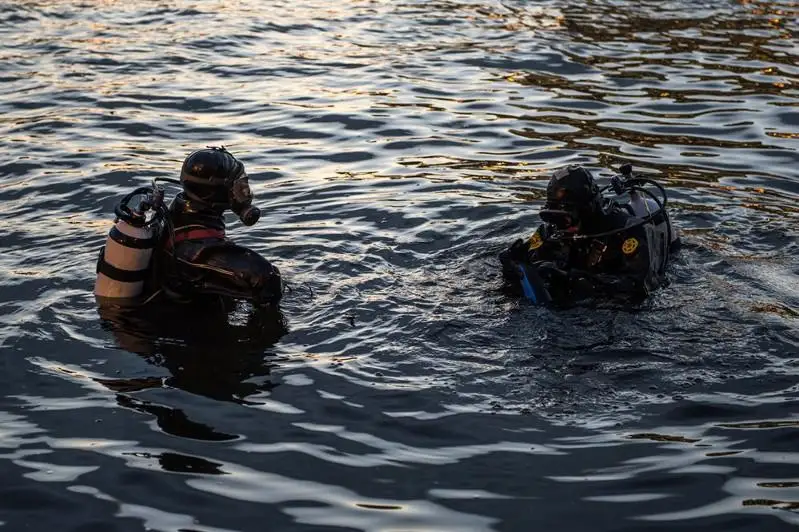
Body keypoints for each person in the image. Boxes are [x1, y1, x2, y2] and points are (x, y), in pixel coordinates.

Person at [95, 146, 282, 308]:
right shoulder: (194, 250)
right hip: (184, 339)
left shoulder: (176, 217)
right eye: (239, 187)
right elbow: (265, 277)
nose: (245, 193)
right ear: (216, 193)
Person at [499, 164, 678, 306]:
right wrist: (513, 265)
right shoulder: (552, 230)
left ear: (586, 211)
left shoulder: (626, 231)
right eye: (555, 217)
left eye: (567, 219)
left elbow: (639, 287)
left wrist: (572, 279)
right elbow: (529, 262)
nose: (562, 226)